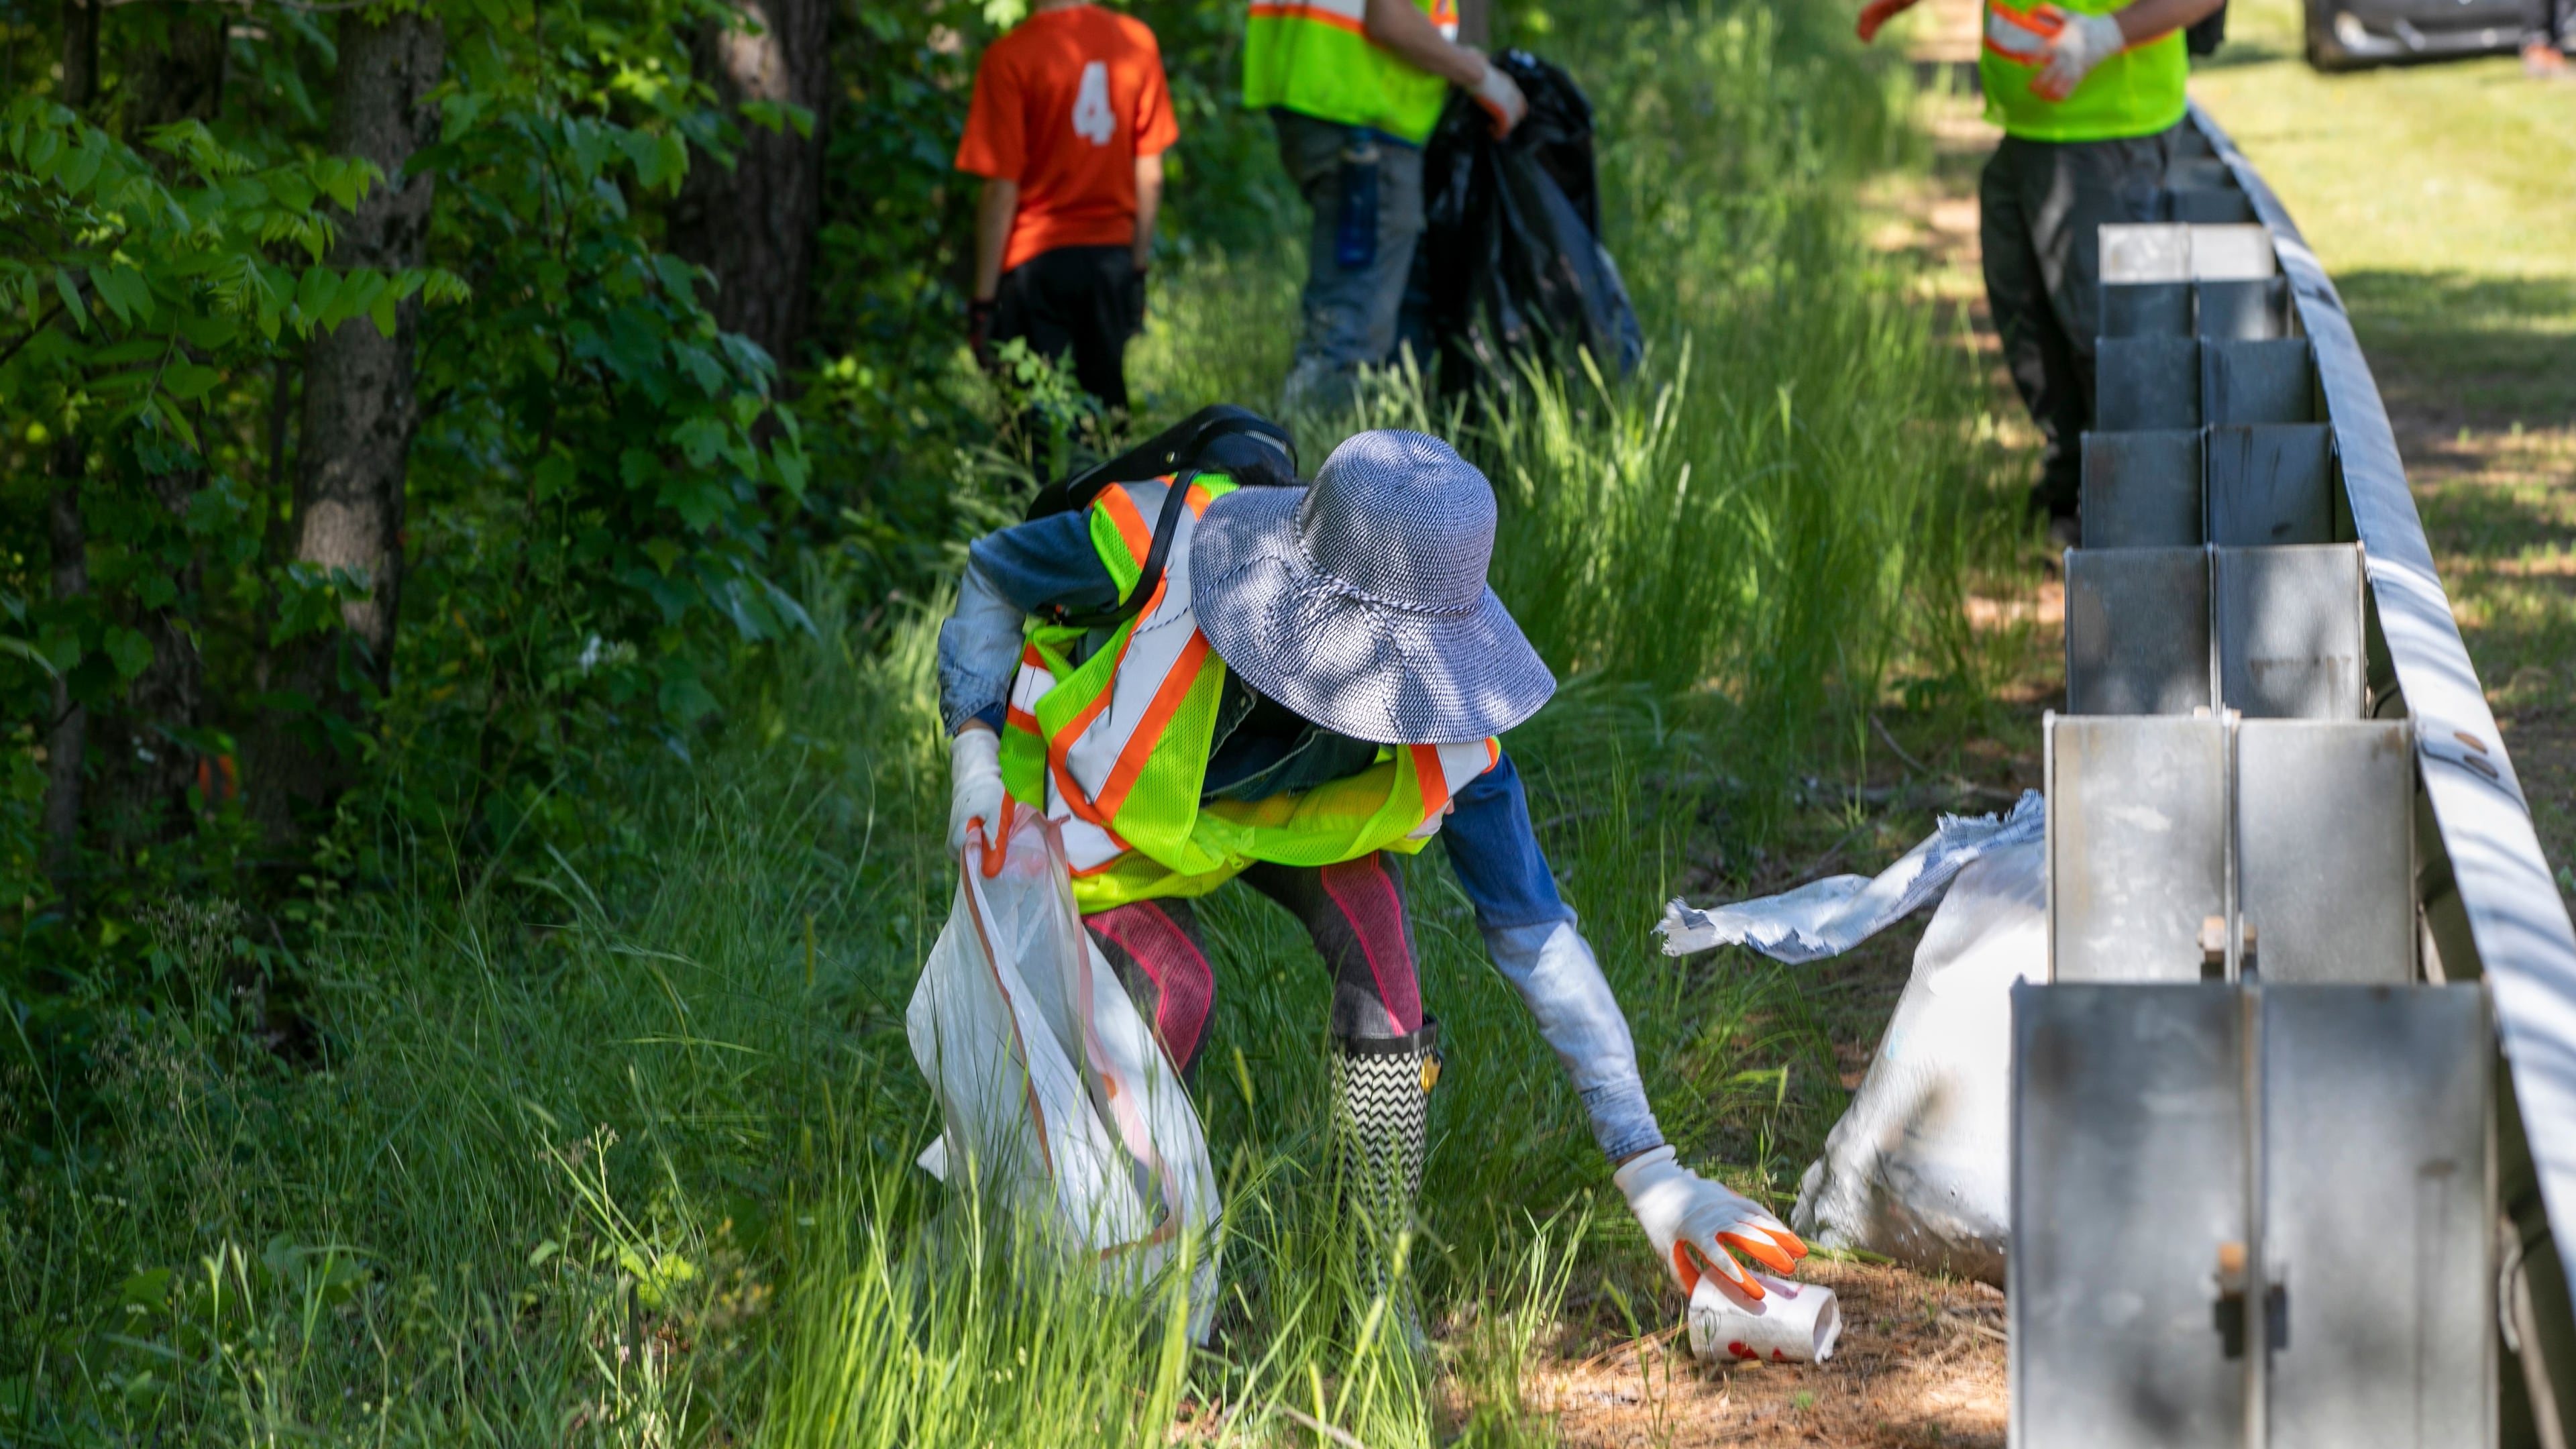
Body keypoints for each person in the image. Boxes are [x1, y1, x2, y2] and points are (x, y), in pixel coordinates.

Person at [934, 428, 1808, 1314]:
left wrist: (1650, 1166)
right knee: (1175, 989)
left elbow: (1536, 932)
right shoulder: (1149, 542)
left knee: (1386, 967)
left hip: (1282, 826)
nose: (1392, 706)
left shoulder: (1457, 735)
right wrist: (972, 746)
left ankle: (1367, 1293)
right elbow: (992, 573)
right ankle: (1134, 1292)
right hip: (1098, 820)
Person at [1860, 0, 2224, 544]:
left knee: (2104, 338)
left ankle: (2134, 531)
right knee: (2029, 319)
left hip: (2108, 132)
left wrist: (2104, 36)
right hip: (2034, 126)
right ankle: (2071, 492)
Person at [1242, 0, 1531, 414]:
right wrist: (1480, 76)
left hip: (1323, 105)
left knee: (1381, 316)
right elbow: (1390, 18)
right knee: (1348, 333)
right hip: (1365, 120)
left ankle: (1388, 454)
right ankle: (1304, 466)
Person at [955, 0, 1179, 415]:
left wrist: (983, 301)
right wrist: (1136, 268)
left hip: (1033, 266)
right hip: (1111, 259)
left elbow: (1001, 191)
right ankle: (1116, 479)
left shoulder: (1010, 56)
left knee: (1032, 419)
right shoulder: (1136, 43)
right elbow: (1152, 176)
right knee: (1107, 412)